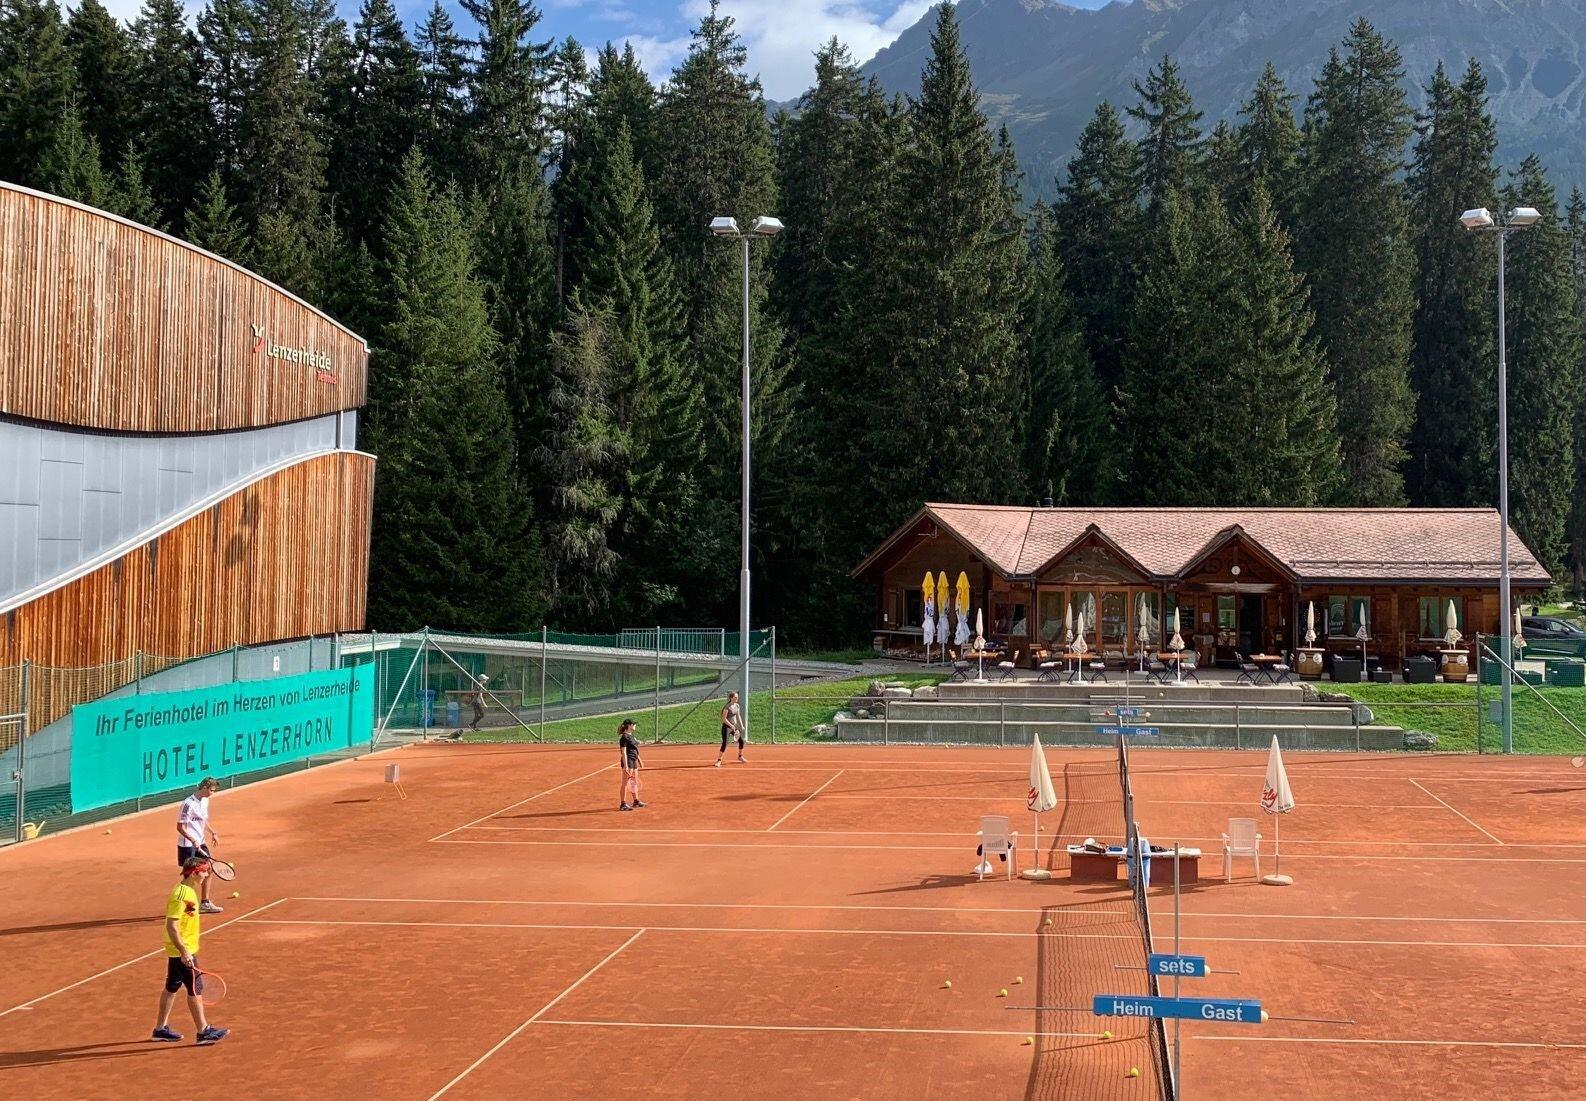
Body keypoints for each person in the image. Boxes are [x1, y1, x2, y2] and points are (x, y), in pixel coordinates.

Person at [152, 855, 229, 1046]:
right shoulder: (181, 895)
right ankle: (203, 1031)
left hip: (182, 950)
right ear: (195, 873)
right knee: (195, 989)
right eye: (204, 872)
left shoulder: (189, 891)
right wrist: (184, 952)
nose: (206, 875)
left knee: (171, 987)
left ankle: (160, 1029)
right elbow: (172, 925)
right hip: (183, 951)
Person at [176, 777, 223, 914]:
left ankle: (205, 903)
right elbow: (180, 827)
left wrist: (212, 832)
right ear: (204, 788)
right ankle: (185, 905)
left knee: (209, 869)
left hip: (200, 842)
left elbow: (203, 820)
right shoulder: (187, 804)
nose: (213, 793)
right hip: (187, 845)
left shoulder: (205, 801)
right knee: (189, 876)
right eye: (212, 790)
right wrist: (192, 840)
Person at [618, 719, 645, 811]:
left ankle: (636, 801)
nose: (635, 726)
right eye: (634, 724)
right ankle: (623, 804)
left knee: (634, 781)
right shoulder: (624, 737)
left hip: (634, 761)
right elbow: (624, 752)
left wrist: (639, 760)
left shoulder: (631, 736)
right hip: (628, 761)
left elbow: (634, 750)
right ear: (629, 725)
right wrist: (625, 766)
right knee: (625, 783)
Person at [715, 691, 746, 767]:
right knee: (724, 744)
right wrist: (730, 725)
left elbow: (738, 716)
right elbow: (724, 719)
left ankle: (740, 756)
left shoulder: (737, 706)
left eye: (737, 697)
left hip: (734, 727)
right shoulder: (727, 707)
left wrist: (741, 726)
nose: (737, 698)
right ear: (731, 698)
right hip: (726, 727)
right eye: (735, 697)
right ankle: (719, 760)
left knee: (741, 741)